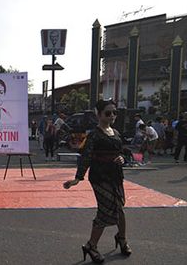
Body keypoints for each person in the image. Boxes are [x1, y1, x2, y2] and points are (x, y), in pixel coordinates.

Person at [63, 99, 131, 263]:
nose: (112, 116)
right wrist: (77, 178)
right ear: (98, 114)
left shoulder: (115, 132)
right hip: (100, 178)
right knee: (105, 211)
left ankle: (122, 238)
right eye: (108, 113)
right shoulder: (94, 135)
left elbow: (122, 151)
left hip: (116, 176)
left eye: (114, 113)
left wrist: (123, 158)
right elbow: (86, 157)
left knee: (120, 207)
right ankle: (91, 245)